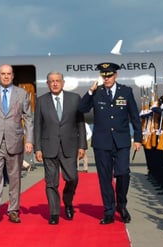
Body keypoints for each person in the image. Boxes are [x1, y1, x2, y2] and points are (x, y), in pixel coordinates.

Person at [78, 62, 142, 224]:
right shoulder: (97, 93)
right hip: (102, 143)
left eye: (109, 75)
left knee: (123, 174)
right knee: (105, 178)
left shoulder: (126, 92)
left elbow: (134, 116)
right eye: (104, 76)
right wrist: (90, 91)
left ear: (116, 76)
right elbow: (82, 109)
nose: (106, 79)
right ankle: (108, 210)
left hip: (121, 142)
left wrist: (139, 138)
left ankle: (121, 204)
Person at [0, 64, 33, 226]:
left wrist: (29, 140)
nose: (6, 76)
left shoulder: (22, 94)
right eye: (3, 74)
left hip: (14, 141)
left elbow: (29, 119)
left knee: (14, 178)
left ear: (13, 75)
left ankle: (13, 210)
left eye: (9, 74)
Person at [34, 71, 87, 225]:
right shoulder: (42, 101)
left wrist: (82, 145)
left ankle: (68, 200)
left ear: (63, 82)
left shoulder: (74, 99)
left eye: (58, 81)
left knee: (72, 177)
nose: (55, 83)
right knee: (51, 182)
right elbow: (37, 125)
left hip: (69, 145)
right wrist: (38, 148)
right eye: (52, 81)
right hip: (48, 146)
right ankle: (54, 213)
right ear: (47, 83)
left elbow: (80, 124)